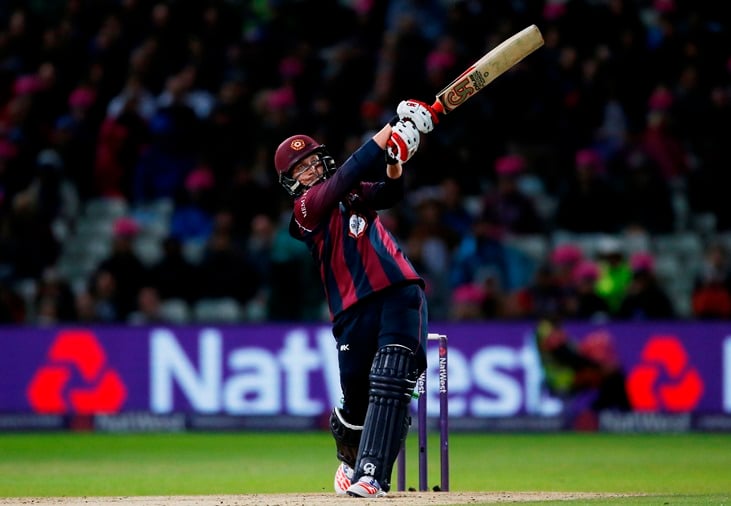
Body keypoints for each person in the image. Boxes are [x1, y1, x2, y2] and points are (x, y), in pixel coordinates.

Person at [273, 99, 436, 497]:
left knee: (392, 378)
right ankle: (350, 457)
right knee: (357, 403)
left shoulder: (353, 194)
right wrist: (389, 129)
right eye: (301, 169)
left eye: (313, 161)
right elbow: (348, 173)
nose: (310, 170)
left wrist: (395, 159)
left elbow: (390, 192)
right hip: (350, 310)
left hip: (399, 290)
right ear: (292, 181)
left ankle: (371, 477)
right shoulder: (306, 209)